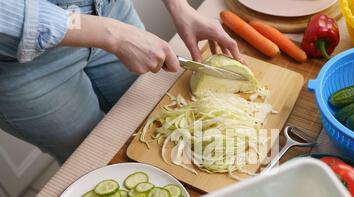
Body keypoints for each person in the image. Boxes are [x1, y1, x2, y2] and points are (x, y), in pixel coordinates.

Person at [0, 0, 242, 163]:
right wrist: (112, 35)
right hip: (24, 59)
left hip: (112, 11)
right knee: (95, 158)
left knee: (160, 126)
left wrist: (180, 7)